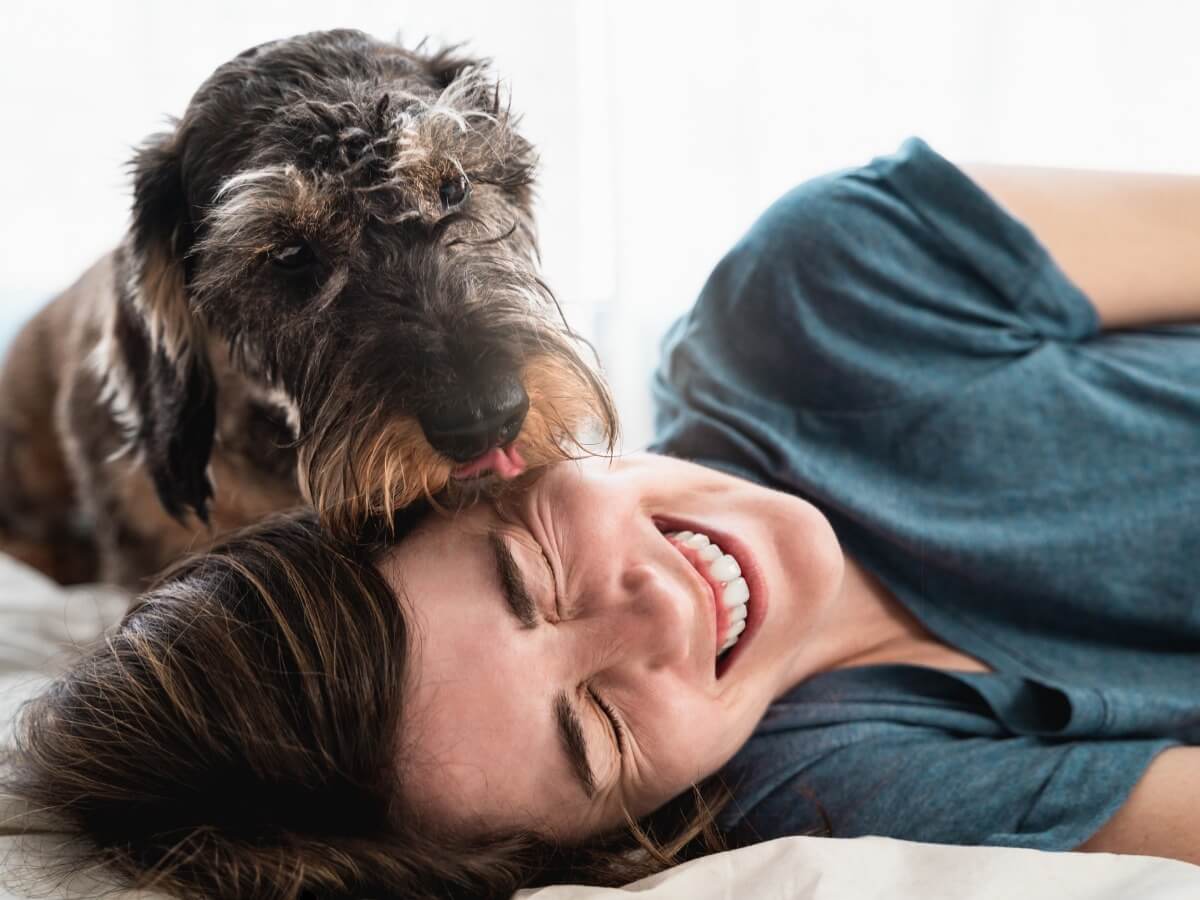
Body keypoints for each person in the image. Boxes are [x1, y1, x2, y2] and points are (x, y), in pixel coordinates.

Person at [7, 139, 1200, 900]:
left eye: (533, 573)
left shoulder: (828, 285)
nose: (652, 616)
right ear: (625, 826)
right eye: (596, 732)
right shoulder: (838, 794)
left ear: (487, 470)